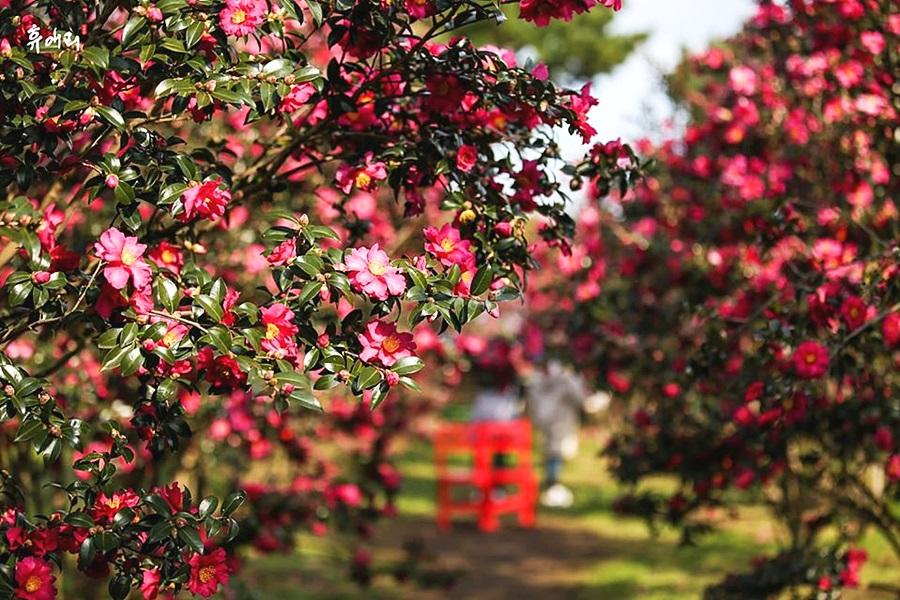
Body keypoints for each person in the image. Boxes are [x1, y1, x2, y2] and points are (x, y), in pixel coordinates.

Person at [525, 359, 588, 508]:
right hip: (555, 423)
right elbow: (580, 397)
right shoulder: (544, 380)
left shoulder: (550, 380)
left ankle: (552, 485)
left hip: (557, 422)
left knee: (555, 453)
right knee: (554, 454)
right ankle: (552, 485)